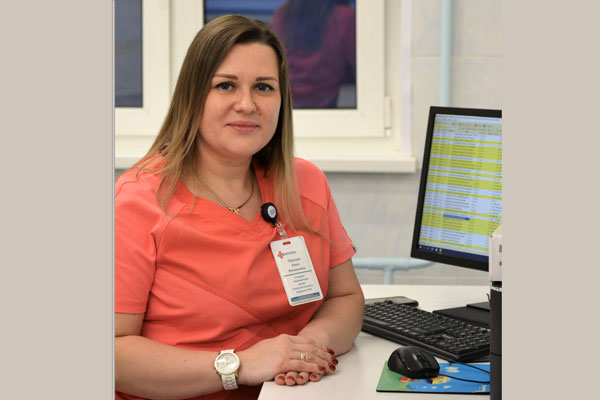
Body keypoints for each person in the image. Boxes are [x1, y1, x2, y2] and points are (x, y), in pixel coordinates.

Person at [115, 14, 364, 400]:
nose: (247, 104)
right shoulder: (137, 202)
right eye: (226, 85)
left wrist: (307, 347)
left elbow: (345, 298)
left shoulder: (305, 183)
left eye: (263, 87)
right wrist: (240, 365)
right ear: (193, 96)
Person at [269, 0, 356, 108]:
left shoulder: (283, 13)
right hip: (329, 105)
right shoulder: (346, 18)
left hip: (285, 103)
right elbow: (360, 70)